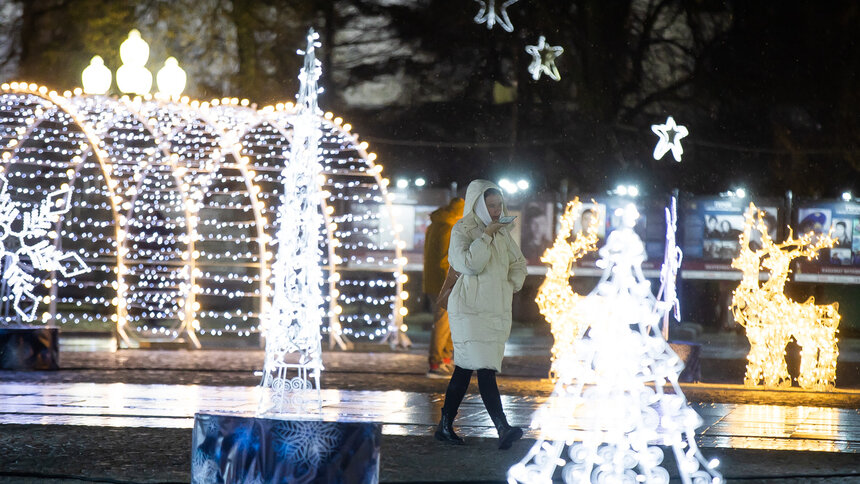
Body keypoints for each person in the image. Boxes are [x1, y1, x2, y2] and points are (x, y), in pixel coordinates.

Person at [435, 179, 527, 450]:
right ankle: (503, 428)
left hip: (495, 309)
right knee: (485, 368)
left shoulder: (503, 233)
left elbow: (518, 262)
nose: (497, 210)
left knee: (464, 370)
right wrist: (486, 235)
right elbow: (469, 265)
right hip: (470, 309)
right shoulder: (463, 230)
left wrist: (511, 283)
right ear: (478, 204)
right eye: (491, 205)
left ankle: (444, 426)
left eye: (499, 205)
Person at [423, 197, 465, 378]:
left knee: (449, 322)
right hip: (444, 283)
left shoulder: (436, 225)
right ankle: (436, 362)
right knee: (442, 323)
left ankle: (445, 360)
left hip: (434, 281)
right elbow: (444, 261)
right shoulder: (448, 228)